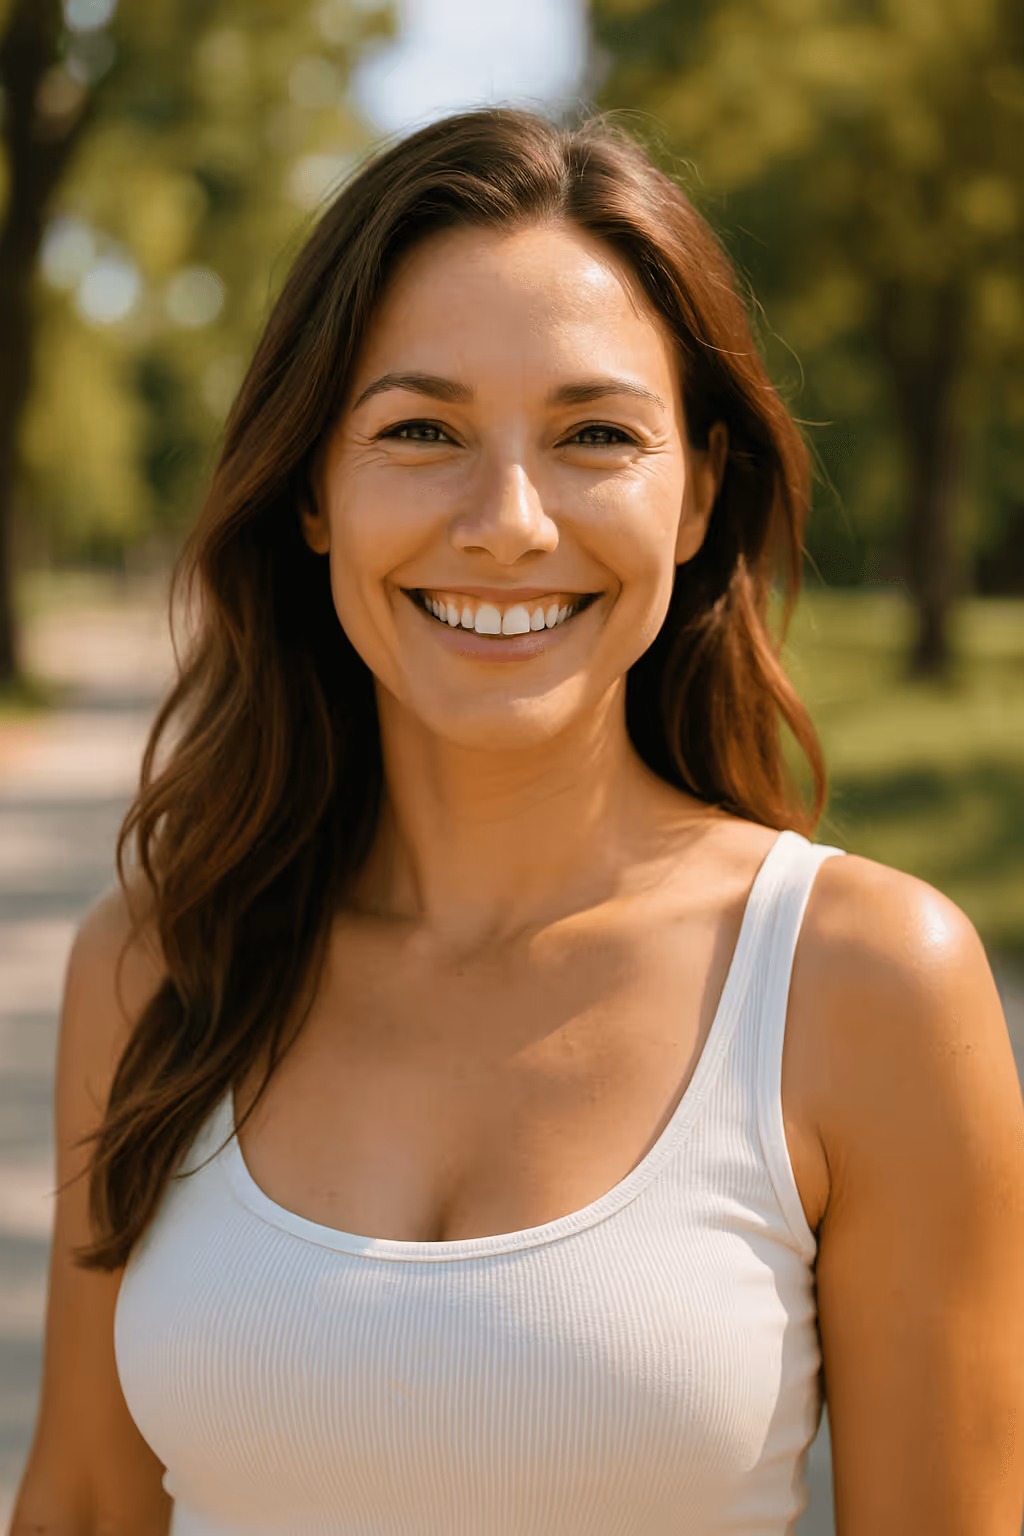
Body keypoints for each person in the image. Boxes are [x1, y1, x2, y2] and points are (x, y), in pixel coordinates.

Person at [10, 108, 1024, 1536]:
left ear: (697, 495)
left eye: (595, 434)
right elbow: (82, 1505)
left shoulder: (862, 985)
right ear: (313, 490)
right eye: (420, 430)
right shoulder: (159, 966)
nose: (507, 522)